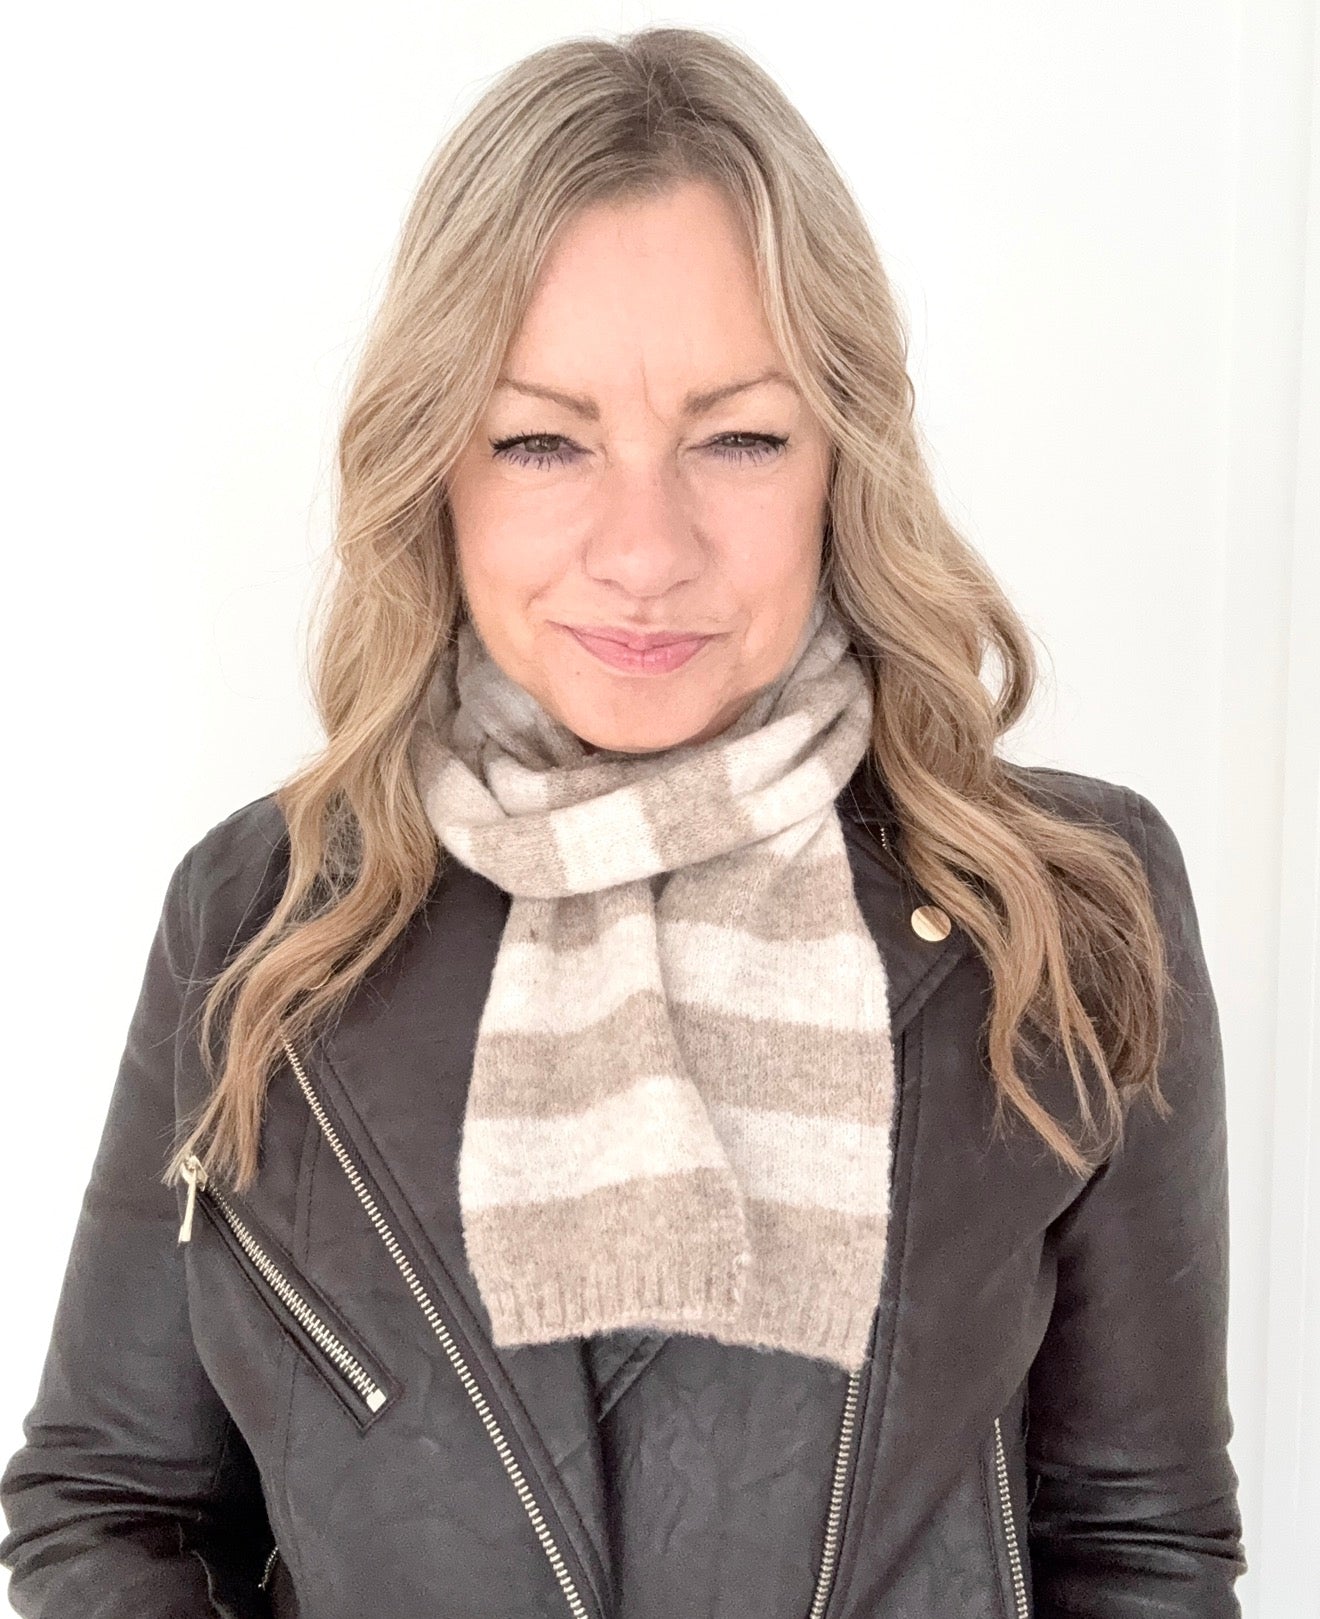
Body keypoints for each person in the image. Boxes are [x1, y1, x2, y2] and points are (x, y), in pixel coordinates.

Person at [0, 23, 1247, 1619]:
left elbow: (1140, 1555)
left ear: (839, 461)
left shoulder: (1064, 910)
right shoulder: (260, 919)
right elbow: (111, 1506)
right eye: (542, 440)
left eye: (739, 436)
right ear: (433, 467)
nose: (643, 547)